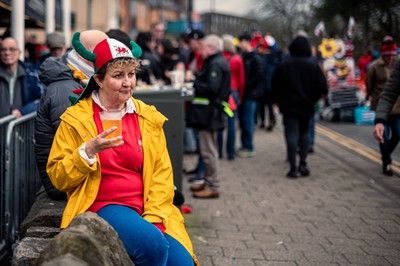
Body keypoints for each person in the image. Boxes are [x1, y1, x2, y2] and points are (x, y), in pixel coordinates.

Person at [46, 33, 198, 266]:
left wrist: (155, 217)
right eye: (118, 75)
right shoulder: (75, 118)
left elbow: (162, 175)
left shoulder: (147, 116)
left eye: (132, 74)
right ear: (98, 79)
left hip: (147, 208)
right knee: (152, 246)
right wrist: (86, 152)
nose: (128, 82)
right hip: (102, 204)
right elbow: (58, 178)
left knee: (184, 262)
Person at [35, 30, 108, 200]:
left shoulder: (78, 80)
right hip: (64, 182)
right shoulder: (66, 89)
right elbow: (73, 143)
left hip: (73, 174)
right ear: (90, 54)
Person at [272, 35, 327, 178]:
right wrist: (314, 99)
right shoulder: (313, 66)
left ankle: (292, 167)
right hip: (307, 105)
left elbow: (275, 86)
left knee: (291, 135)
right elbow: (322, 86)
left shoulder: (284, 65)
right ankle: (303, 163)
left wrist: (278, 101)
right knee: (304, 134)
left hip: (288, 106)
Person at [186, 34, 231, 198]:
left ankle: (213, 185)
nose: (202, 51)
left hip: (210, 114)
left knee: (208, 151)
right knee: (208, 149)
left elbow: (212, 88)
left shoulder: (215, 64)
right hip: (210, 113)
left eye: (204, 47)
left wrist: (194, 80)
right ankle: (207, 181)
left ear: (210, 48)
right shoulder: (216, 62)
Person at [369, 36, 399, 176]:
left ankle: (386, 154)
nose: (391, 58)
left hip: (398, 108)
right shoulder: (375, 67)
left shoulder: (397, 63)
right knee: (384, 135)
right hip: (383, 108)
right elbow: (370, 85)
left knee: (398, 134)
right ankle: (386, 162)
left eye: (393, 55)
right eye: (388, 55)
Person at [0, 37, 43, 118]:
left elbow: (42, 99)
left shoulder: (31, 74)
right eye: (3, 49)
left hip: (22, 127)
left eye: (12, 49)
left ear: (19, 52)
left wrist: (23, 111)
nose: (7, 53)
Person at [236, 32, 264, 158]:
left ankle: (249, 147)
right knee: (243, 121)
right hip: (244, 95)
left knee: (248, 122)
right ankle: (244, 145)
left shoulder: (255, 58)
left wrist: (246, 85)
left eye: (240, 42)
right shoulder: (243, 56)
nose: (239, 44)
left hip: (250, 95)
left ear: (246, 42)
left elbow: (259, 76)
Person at [217, 35, 245, 160]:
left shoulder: (219, 59)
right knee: (232, 123)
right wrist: (240, 96)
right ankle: (231, 152)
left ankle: (218, 151)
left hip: (221, 92)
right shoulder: (237, 59)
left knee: (218, 121)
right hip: (233, 93)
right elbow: (241, 80)